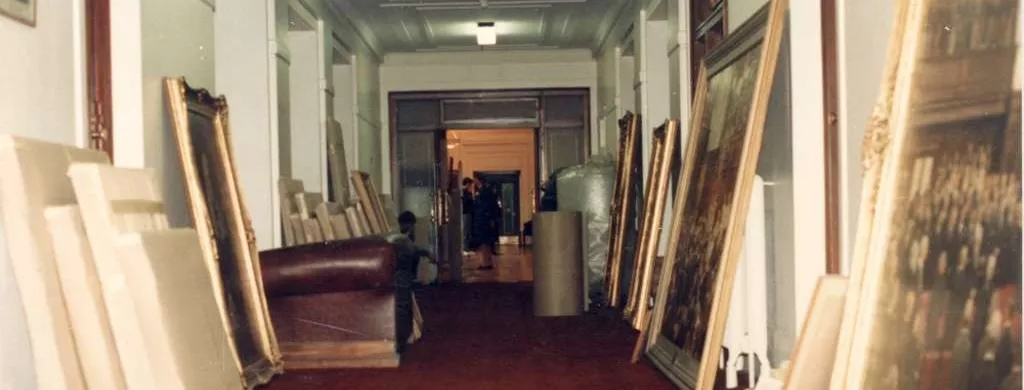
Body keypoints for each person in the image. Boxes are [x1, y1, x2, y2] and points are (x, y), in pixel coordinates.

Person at [397, 211, 437, 284]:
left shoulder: (405, 237)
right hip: (404, 279)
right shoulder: (403, 239)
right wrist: (427, 254)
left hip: (406, 277)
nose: (414, 228)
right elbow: (412, 250)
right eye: (412, 225)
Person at [461, 177, 475, 254]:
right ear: (467, 184)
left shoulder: (467, 193)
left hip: (468, 213)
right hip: (465, 213)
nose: (471, 186)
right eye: (470, 185)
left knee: (468, 231)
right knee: (465, 231)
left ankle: (467, 247)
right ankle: (465, 248)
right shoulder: (464, 193)